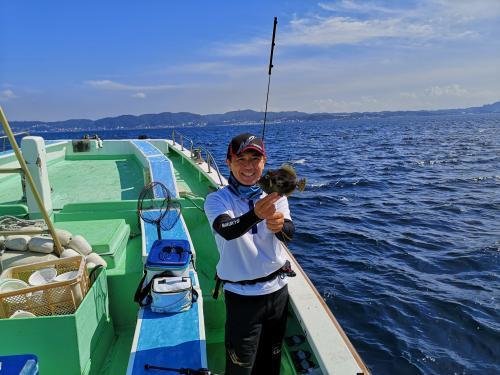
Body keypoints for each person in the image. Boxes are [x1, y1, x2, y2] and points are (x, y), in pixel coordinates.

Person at [204, 133, 295, 375]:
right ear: (228, 162)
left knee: (271, 363)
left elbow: (289, 233)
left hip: (277, 292)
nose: (248, 166)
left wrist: (280, 226)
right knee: (240, 367)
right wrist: (256, 214)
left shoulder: (276, 196)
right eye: (241, 158)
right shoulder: (216, 200)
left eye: (255, 158)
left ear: (264, 163)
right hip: (242, 298)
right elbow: (226, 230)